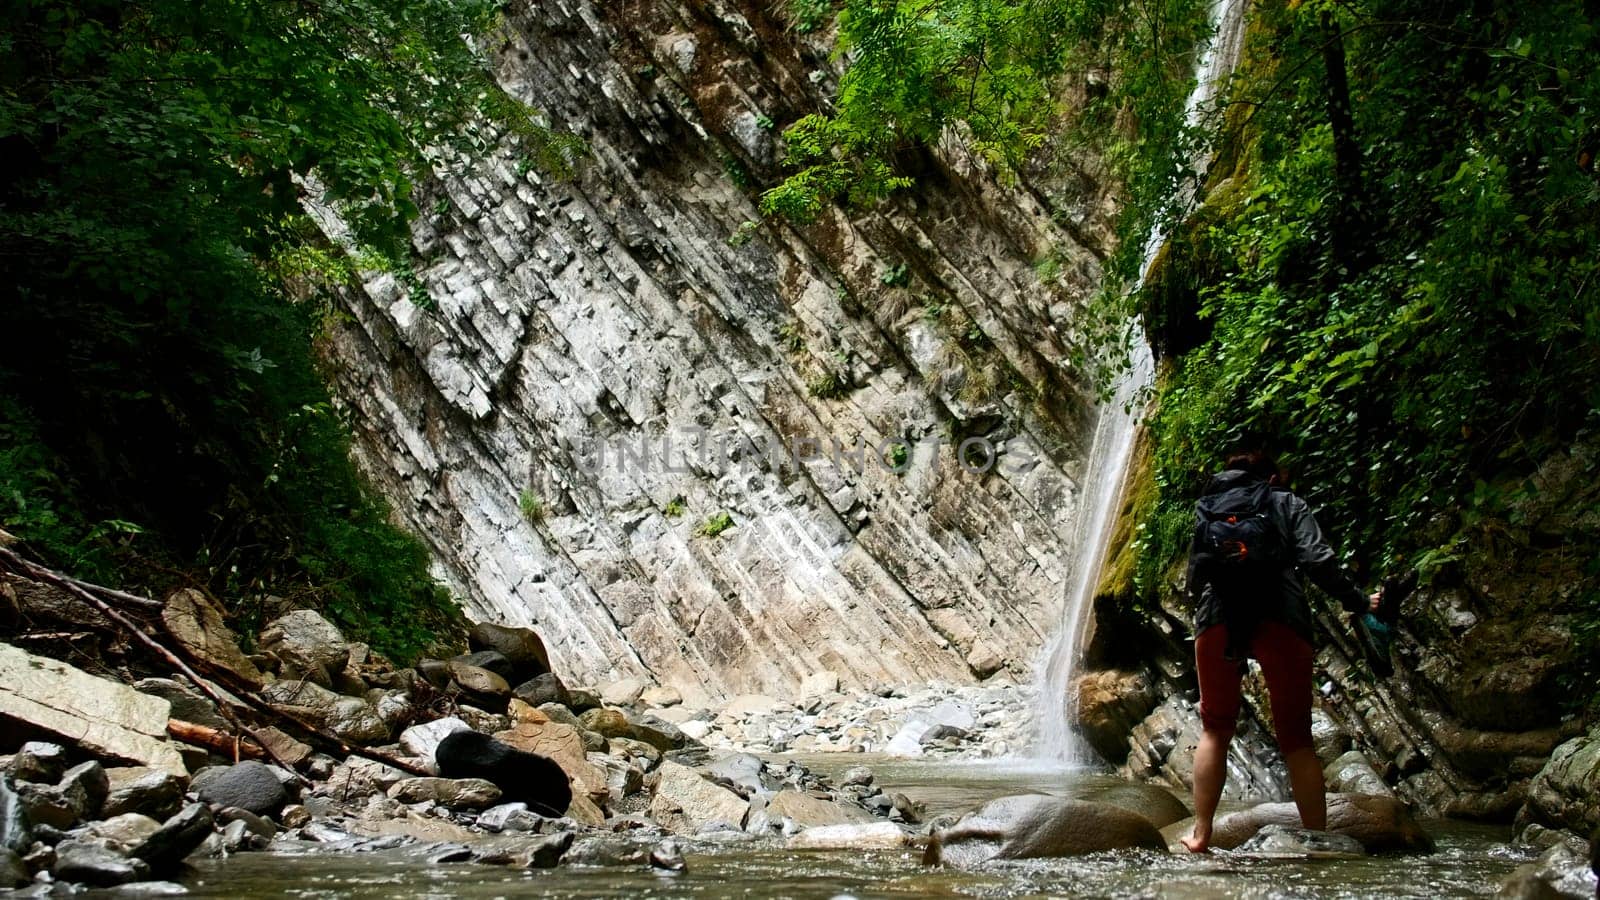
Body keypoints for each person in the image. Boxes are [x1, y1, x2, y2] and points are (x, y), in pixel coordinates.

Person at [1179, 449, 1380, 854]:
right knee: (1297, 740)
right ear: (1271, 479)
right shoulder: (1286, 502)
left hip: (1218, 616)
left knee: (1215, 729)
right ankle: (1316, 839)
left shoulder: (1208, 509)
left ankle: (1200, 835)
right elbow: (1317, 559)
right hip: (1282, 615)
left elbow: (1195, 576)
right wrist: (1358, 601)